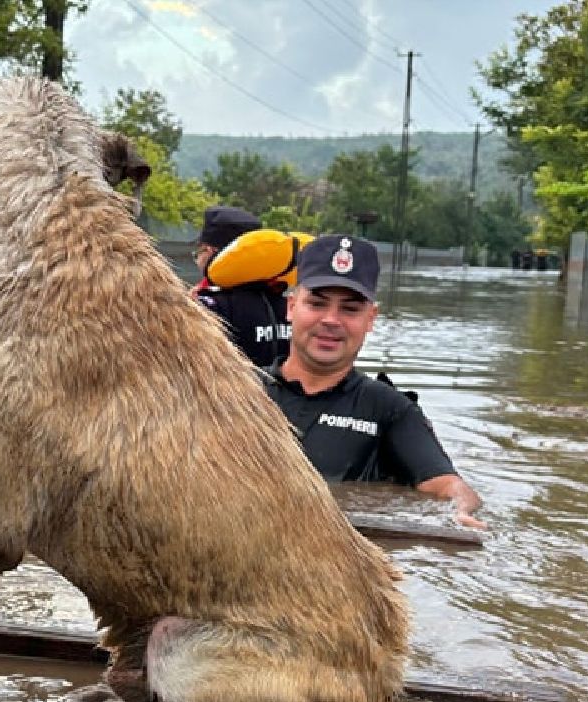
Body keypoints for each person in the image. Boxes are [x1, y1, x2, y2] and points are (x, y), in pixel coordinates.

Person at [261, 234, 486, 528]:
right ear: (291, 307)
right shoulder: (239, 389)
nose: (331, 320)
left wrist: (460, 511)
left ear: (371, 318)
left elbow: (447, 485)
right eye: (317, 304)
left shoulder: (388, 409)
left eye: (350, 309)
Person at [191, 205, 291, 367]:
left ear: (209, 251)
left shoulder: (211, 306)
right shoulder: (288, 304)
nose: (197, 260)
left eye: (199, 253)